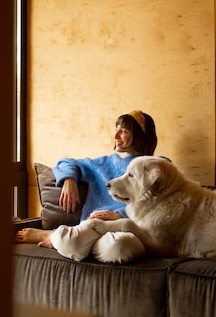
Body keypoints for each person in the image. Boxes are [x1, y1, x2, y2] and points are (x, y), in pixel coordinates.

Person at [15, 110, 158, 263]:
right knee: (75, 241)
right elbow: (65, 162)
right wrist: (69, 180)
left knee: (122, 248)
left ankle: (58, 238)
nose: (116, 136)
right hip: (94, 225)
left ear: (140, 136)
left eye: (123, 131)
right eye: (116, 129)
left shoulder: (157, 166)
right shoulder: (104, 163)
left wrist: (120, 214)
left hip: (129, 228)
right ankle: (62, 239)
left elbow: (158, 203)